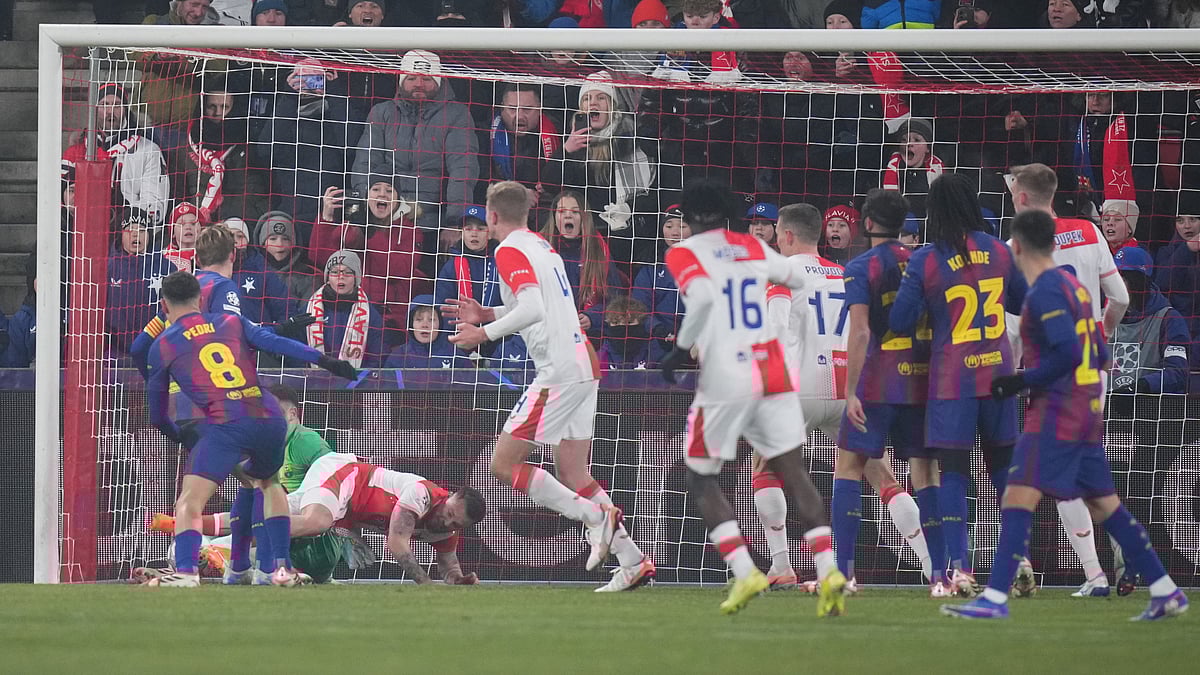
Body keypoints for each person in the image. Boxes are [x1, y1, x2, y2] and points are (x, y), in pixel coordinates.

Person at [942, 209, 1189, 621]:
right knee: (1105, 505)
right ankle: (1165, 590)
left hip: (1059, 407)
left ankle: (995, 598)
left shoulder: (1045, 292)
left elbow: (1069, 352)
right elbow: (1097, 346)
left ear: (1020, 247)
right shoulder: (1074, 287)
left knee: (1018, 495)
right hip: (1085, 402)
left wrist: (1019, 381)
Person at [444, 181, 654, 593]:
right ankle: (632, 561)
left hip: (558, 369)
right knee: (573, 470)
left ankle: (596, 517)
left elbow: (534, 308)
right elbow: (537, 304)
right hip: (583, 362)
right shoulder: (543, 246)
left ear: (492, 216)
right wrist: (487, 313)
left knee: (503, 465)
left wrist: (483, 334)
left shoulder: (508, 250)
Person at [658, 178, 846, 616]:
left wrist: (680, 348)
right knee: (792, 470)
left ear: (688, 217)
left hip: (729, 371)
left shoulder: (683, 253)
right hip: (773, 367)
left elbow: (703, 300)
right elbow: (793, 276)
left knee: (700, 476)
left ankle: (746, 571)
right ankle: (828, 569)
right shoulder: (751, 246)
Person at [142, 270, 358, 587]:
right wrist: (326, 361)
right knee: (267, 484)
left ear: (164, 306)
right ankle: (279, 569)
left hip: (226, 423)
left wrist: (180, 436)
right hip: (269, 416)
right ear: (200, 300)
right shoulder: (231, 322)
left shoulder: (162, 345)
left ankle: (186, 573)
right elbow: (277, 343)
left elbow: (158, 415)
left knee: (189, 501)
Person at [769, 200, 939, 595]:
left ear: (788, 235)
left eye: (776, 232)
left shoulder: (780, 272)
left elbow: (774, 330)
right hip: (852, 382)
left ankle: (783, 566)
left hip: (799, 383)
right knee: (883, 477)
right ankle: (934, 566)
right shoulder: (842, 271)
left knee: (766, 466)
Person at [890, 172, 1027, 597]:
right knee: (1004, 468)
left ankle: (962, 568)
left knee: (953, 472)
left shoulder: (927, 259)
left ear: (933, 212)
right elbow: (1022, 302)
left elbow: (900, 320)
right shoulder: (1001, 251)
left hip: (953, 377)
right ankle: (1019, 559)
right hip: (1000, 373)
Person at [1008, 162, 1131, 597]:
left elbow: (1012, 325)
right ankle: (1115, 561)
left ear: (1022, 197)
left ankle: (1099, 573)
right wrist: (1101, 333)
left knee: (1059, 471)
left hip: (1052, 372)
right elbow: (1121, 298)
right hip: (1092, 369)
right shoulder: (1089, 230)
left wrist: (1013, 374)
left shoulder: (1018, 244)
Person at [146, 384, 354, 584]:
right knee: (185, 544)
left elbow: (335, 480)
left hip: (312, 546)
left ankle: (223, 561)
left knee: (251, 520)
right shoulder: (264, 446)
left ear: (292, 414)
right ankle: (193, 566)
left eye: (275, 413)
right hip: (280, 534)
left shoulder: (306, 441)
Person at [288, 460, 486, 585]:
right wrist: (426, 584)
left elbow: (449, 567)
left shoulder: (447, 531)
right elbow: (396, 542)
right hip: (344, 476)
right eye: (449, 513)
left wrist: (459, 580)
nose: (446, 522)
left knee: (276, 518)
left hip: (345, 508)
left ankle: (270, 562)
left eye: (456, 524)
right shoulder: (422, 493)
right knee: (317, 522)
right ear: (448, 496)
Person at [351, 49, 479, 233]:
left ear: (439, 81)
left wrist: (455, 223)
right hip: (384, 218)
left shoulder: (457, 115)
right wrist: (366, 212)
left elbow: (463, 170)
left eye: (426, 79)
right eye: (411, 78)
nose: (419, 84)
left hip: (433, 221)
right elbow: (365, 164)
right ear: (401, 81)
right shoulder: (381, 112)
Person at [550, 72, 657, 264]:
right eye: (587, 99)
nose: (593, 103)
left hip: (628, 235)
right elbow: (551, 186)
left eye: (601, 98)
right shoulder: (574, 143)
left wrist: (629, 208)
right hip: (586, 238)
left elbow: (655, 193)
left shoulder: (632, 140)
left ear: (612, 105)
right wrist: (566, 151)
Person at [311, 179, 429, 334]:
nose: (382, 194)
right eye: (376, 189)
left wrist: (370, 233)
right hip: (352, 314)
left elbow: (398, 270)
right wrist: (326, 217)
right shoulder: (354, 224)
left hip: (392, 320)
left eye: (389, 190)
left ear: (398, 198)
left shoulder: (410, 231)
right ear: (367, 196)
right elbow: (321, 258)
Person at [61, 83, 170, 224]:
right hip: (84, 228)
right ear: (95, 109)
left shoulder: (149, 150)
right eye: (104, 104)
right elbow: (61, 201)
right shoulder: (75, 153)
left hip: (129, 231)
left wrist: (122, 219)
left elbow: (155, 205)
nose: (110, 111)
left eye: (117, 105)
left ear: (125, 110)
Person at [539, 190, 628, 335]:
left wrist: (592, 317)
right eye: (562, 211)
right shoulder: (538, 248)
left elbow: (615, 299)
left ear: (584, 218)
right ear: (554, 217)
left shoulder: (599, 250)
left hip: (589, 336)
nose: (568, 215)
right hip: (546, 331)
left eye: (575, 212)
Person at [1110, 246, 1191, 395]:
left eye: (1122, 278)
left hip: (1149, 406)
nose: (1114, 285)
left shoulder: (1169, 319)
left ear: (1139, 281)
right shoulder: (1101, 317)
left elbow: (1177, 372)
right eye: (1112, 278)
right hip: (1104, 406)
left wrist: (1143, 385)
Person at [105, 207, 176, 356]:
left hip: (157, 351)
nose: (136, 234)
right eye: (129, 230)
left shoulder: (167, 268)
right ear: (121, 234)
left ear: (149, 235)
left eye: (142, 231)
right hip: (115, 353)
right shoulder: (108, 267)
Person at [305, 250, 385, 370]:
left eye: (348, 272)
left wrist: (360, 378)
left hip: (356, 380)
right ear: (327, 277)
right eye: (335, 272)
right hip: (314, 379)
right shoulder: (309, 309)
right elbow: (297, 352)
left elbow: (376, 357)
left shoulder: (371, 314)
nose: (341, 277)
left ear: (356, 278)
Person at [488, 84, 562, 209]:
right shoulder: (486, 133)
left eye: (527, 109)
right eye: (512, 109)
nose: (520, 116)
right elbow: (483, 180)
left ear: (539, 109)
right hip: (502, 206)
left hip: (545, 208)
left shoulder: (558, 132)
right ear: (502, 109)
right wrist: (516, 193)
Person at [631, 205, 688, 337]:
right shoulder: (651, 265)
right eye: (669, 226)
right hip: (659, 336)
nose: (675, 232)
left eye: (682, 226)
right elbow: (640, 306)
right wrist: (657, 329)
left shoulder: (706, 263)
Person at [227, 217, 294, 327]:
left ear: (248, 241)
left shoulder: (260, 269)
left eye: (240, 236)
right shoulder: (210, 268)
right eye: (230, 236)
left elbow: (285, 309)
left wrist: (275, 332)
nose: (235, 240)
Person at [384, 295, 471, 369]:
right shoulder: (399, 356)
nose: (425, 325)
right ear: (410, 324)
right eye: (419, 319)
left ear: (441, 324)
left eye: (431, 320)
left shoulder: (455, 355)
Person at [257, 210, 320, 305]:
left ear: (294, 243)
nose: (279, 244)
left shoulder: (309, 277)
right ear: (262, 244)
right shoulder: (251, 273)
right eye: (273, 239)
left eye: (285, 239)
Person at [163, 202, 206, 271]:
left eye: (193, 223)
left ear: (202, 230)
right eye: (182, 224)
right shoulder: (163, 258)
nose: (188, 227)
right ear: (173, 232)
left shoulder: (210, 256)